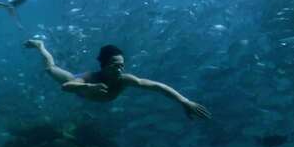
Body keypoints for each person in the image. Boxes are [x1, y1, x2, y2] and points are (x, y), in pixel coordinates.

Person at [24, 39, 211, 120]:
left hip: (89, 88)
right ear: (104, 65)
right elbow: (66, 87)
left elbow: (156, 86)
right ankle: (40, 45)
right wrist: (89, 87)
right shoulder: (90, 78)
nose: (120, 68)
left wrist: (184, 101)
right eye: (115, 65)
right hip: (81, 84)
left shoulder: (125, 80)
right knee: (50, 68)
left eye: (122, 65)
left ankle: (40, 45)